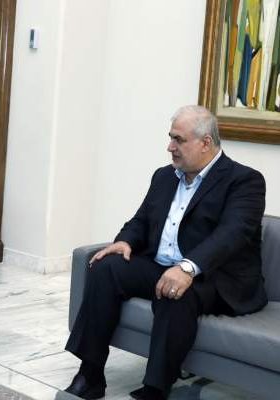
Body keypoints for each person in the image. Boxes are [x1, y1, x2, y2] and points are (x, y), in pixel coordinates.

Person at [64, 105, 267, 400]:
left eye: (178, 140)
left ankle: (155, 389)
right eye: (170, 138)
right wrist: (125, 241)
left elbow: (231, 235)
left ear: (205, 143)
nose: (170, 147)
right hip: (162, 265)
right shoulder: (165, 176)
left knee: (174, 292)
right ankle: (90, 374)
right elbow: (142, 220)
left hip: (215, 278)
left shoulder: (244, 180)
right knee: (106, 267)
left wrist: (187, 267)